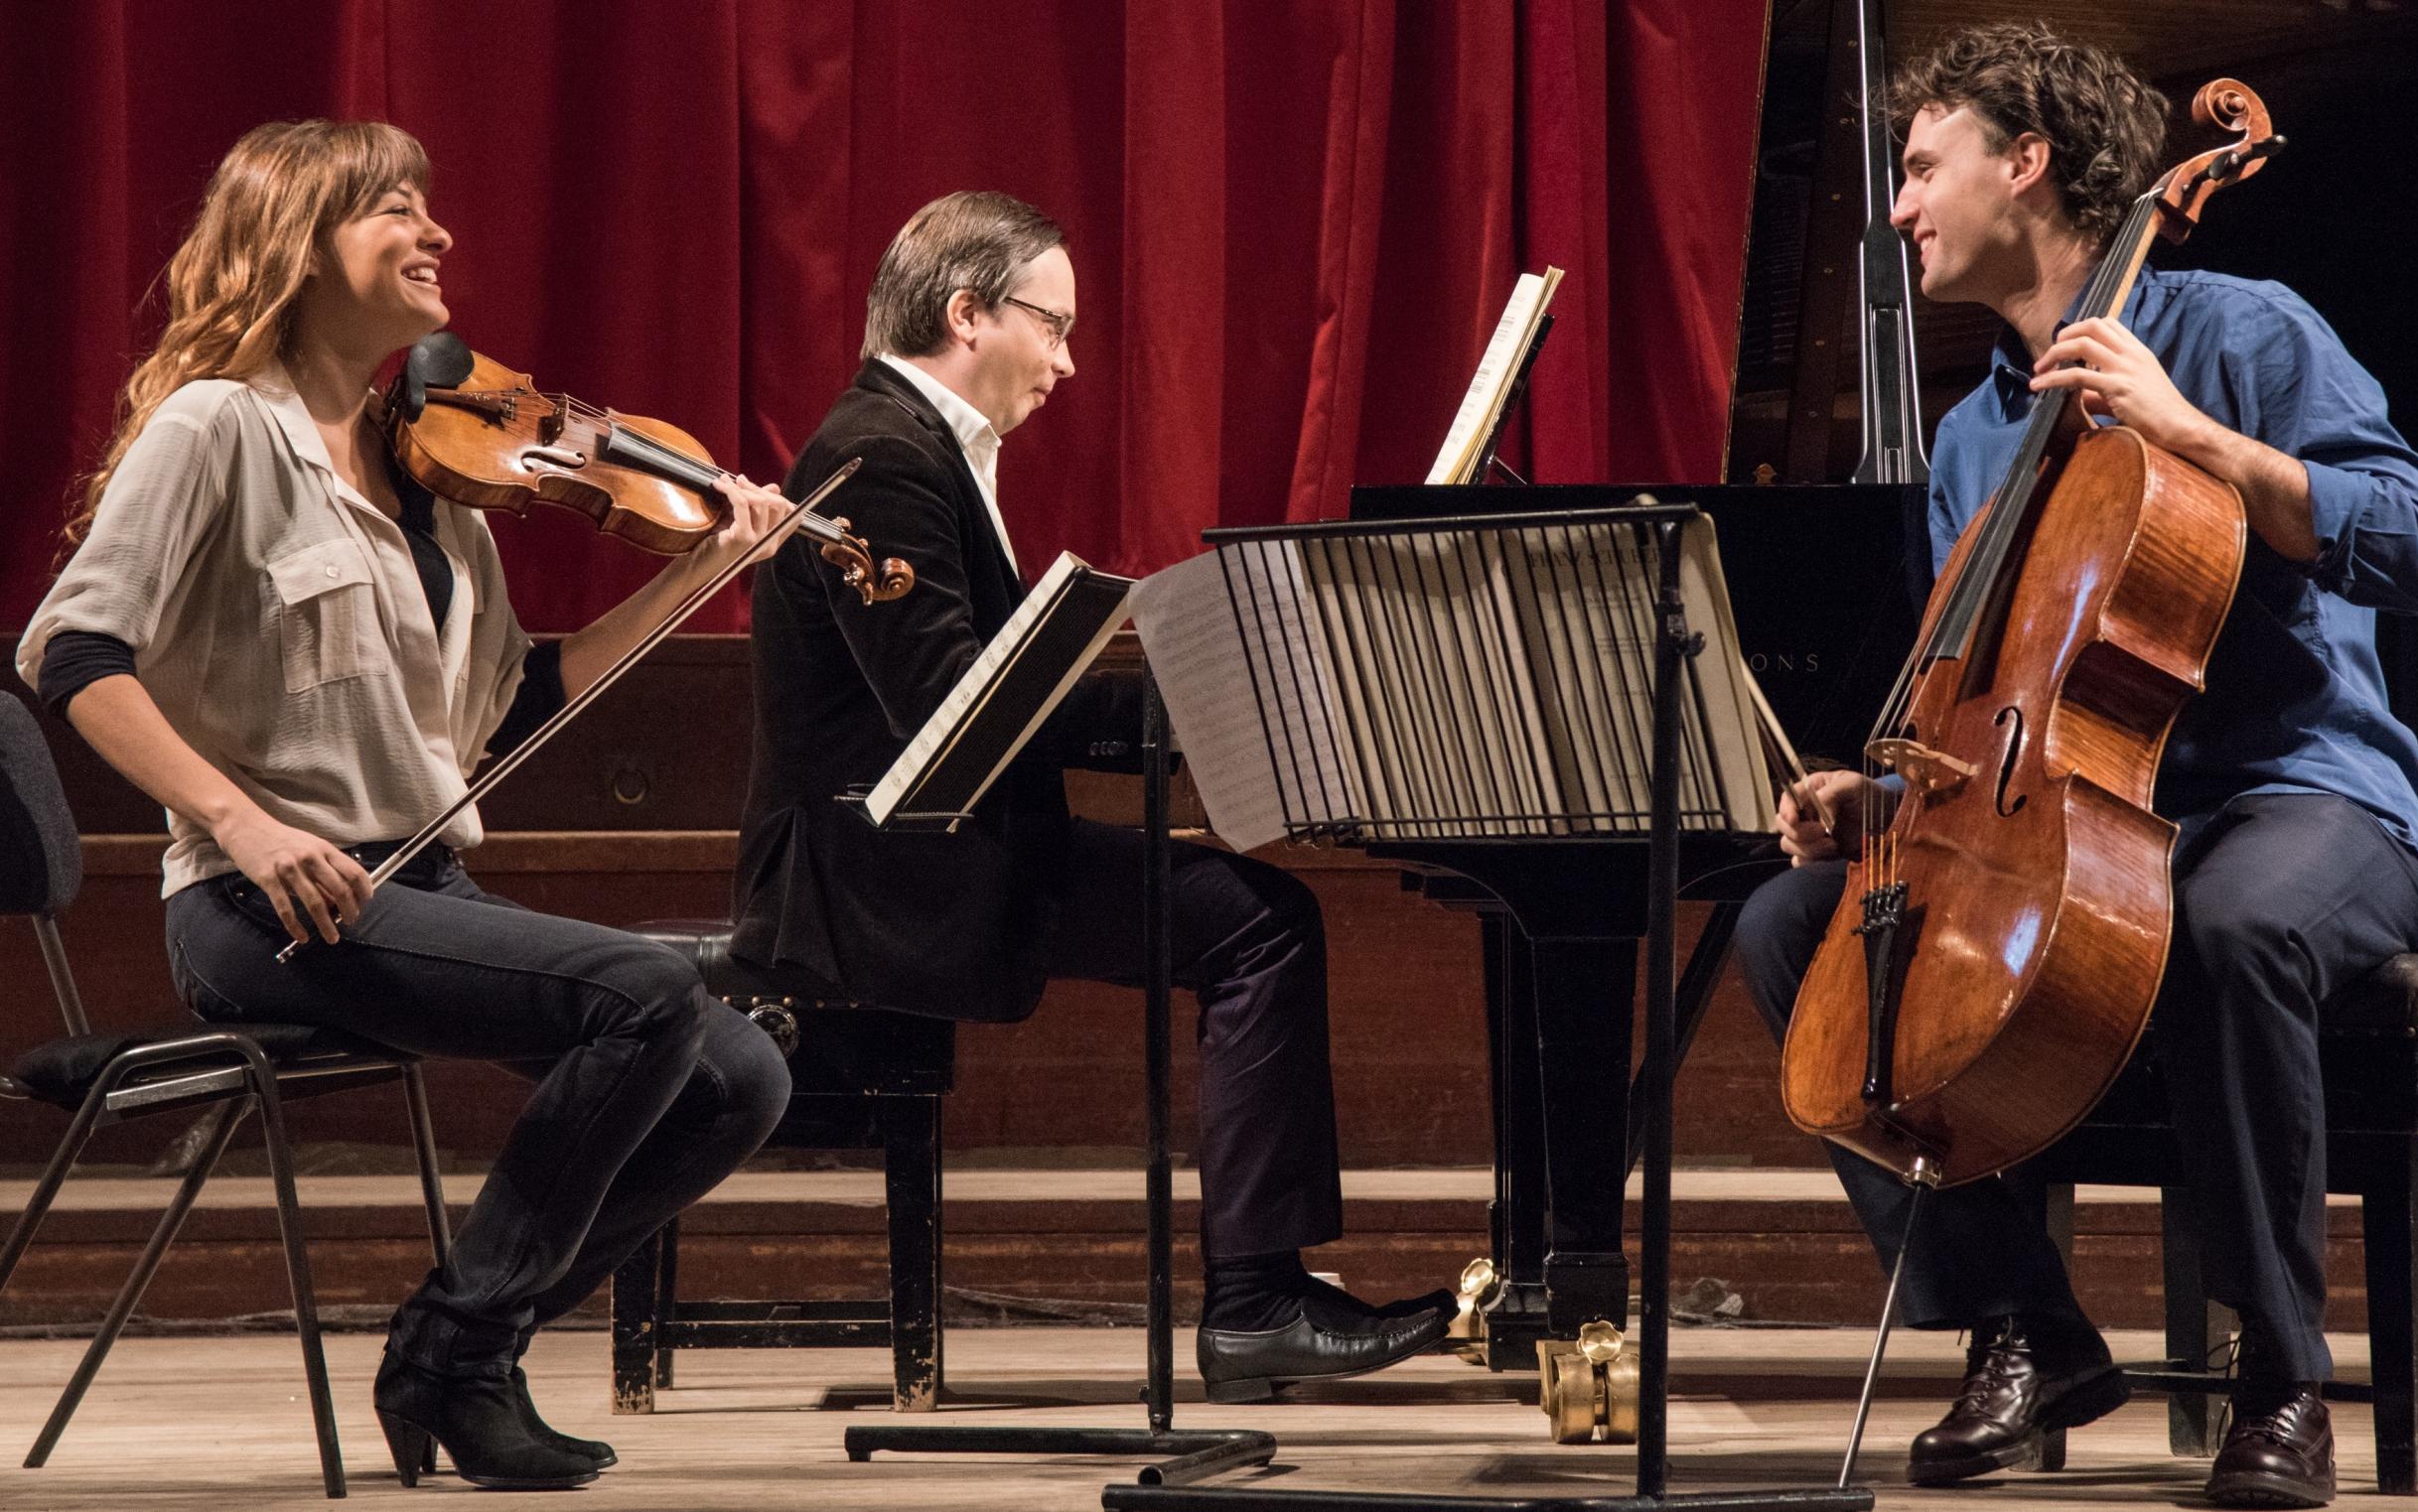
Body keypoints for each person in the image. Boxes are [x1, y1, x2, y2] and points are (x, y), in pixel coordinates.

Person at [16, 120, 800, 1491]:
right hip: (260, 901)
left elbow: (516, 696)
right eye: (392, 207)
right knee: (648, 997)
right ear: (298, 241)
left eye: (432, 206)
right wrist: (247, 822)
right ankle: (459, 1354)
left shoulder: (441, 484)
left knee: (746, 1073)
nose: (436, 232)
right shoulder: (221, 423)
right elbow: (70, 653)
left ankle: (461, 1333)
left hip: (418, 891)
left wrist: (697, 575)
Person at [1735, 24, 2418, 1509]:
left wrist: (2201, 439)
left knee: (2236, 918)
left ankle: (2281, 1374)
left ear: (2030, 161)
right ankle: (2027, 1329)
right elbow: (1998, 698)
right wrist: (1887, 799)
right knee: (1798, 927)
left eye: (1923, 168)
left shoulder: (2241, 331)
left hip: (2301, 793)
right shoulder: (1970, 440)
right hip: (2067, 818)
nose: (1901, 207)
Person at [734, 191, 1448, 1401]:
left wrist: (1182, 714)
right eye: (1052, 326)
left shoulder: (910, 447)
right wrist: (1178, 713)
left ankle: (1261, 1294)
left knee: (1254, 911)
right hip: (881, 876)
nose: (1069, 361)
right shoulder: (885, 457)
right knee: (1256, 921)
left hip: (938, 844)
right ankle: (1254, 1304)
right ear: (967, 314)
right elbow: (953, 703)